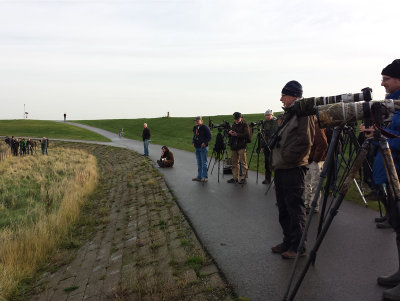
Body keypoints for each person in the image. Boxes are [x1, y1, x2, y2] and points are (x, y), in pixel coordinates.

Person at [270, 80, 315, 259]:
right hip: (283, 167)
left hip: (293, 168)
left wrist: (287, 157)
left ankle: (298, 247)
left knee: (295, 208)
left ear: (293, 96)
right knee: (283, 208)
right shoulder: (292, 113)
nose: (281, 99)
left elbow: (305, 141)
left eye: (284, 95)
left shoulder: (304, 112)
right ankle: (288, 242)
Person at [369, 59, 400, 301]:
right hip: (393, 171)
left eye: (386, 79)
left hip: (398, 168)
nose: (382, 83)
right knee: (398, 226)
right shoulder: (394, 103)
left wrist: (383, 139)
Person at [304, 117, 328, 213]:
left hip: (315, 161)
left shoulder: (316, 126)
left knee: (315, 184)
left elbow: (323, 144)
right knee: (307, 183)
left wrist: (315, 159)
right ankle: (307, 204)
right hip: (309, 160)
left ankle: (314, 206)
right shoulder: (310, 125)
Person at [227, 112, 251, 184]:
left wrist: (236, 134)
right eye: (235, 119)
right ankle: (235, 178)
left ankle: (244, 178)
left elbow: (246, 134)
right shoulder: (234, 124)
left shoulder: (245, 124)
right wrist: (230, 132)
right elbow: (232, 133)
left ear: (241, 118)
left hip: (241, 146)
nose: (236, 120)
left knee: (243, 162)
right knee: (234, 163)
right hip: (233, 146)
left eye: (237, 119)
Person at [260, 109, 278, 184]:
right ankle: (267, 179)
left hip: (274, 145)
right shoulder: (264, 123)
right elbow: (262, 135)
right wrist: (262, 146)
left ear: (272, 115)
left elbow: (275, 133)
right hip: (266, 145)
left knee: (275, 163)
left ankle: (277, 180)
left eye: (269, 115)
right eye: (266, 115)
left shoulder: (275, 122)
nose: (267, 117)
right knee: (267, 163)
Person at [192, 116, 212, 182]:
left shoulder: (205, 127)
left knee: (204, 162)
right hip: (197, 147)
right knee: (199, 162)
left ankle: (205, 177)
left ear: (201, 121)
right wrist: (193, 142)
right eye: (196, 121)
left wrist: (205, 143)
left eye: (198, 120)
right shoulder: (195, 128)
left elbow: (209, 137)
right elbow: (194, 136)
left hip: (203, 147)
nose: (197, 121)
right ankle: (199, 176)